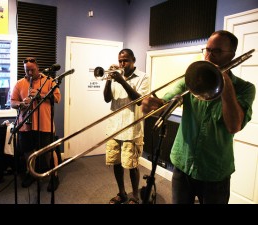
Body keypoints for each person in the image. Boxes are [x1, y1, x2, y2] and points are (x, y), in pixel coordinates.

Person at [141, 30, 256, 204]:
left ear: (231, 55)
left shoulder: (245, 88)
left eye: (216, 51)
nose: (208, 56)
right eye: (207, 50)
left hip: (215, 173)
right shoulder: (192, 79)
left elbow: (234, 126)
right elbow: (166, 101)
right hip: (183, 164)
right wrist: (155, 105)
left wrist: (225, 84)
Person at [104, 48, 150, 204]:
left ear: (133, 60)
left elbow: (139, 100)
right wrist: (109, 79)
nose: (122, 64)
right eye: (120, 61)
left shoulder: (143, 77)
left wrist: (121, 81)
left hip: (131, 128)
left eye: (125, 60)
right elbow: (106, 98)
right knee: (116, 163)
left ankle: (135, 196)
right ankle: (122, 193)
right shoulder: (116, 76)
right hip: (114, 127)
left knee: (131, 165)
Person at [10, 57, 61, 192]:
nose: (30, 73)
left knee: (49, 152)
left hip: (44, 123)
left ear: (38, 68)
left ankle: (54, 176)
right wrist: (21, 104)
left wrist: (40, 95)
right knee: (28, 151)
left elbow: (57, 98)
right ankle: (31, 173)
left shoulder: (49, 81)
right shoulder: (19, 83)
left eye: (32, 70)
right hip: (26, 125)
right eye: (27, 71)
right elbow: (12, 102)